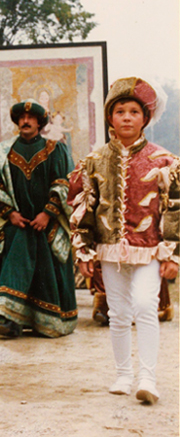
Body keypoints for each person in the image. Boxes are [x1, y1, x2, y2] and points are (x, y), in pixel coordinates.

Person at [68, 77, 179, 405]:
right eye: (120, 111)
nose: (127, 117)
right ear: (110, 117)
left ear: (145, 118)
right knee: (117, 313)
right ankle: (123, 373)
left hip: (149, 250)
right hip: (110, 249)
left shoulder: (165, 161)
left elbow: (175, 209)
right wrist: (84, 250)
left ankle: (148, 377)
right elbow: (84, 208)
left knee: (145, 306)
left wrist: (173, 254)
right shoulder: (94, 161)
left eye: (134, 111)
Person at [0, 99, 77, 339]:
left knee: (46, 266)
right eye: (22, 118)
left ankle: (48, 322)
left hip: (49, 223)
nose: (26, 121)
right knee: (16, 259)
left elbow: (63, 182)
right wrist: (9, 213)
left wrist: (47, 213)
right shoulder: (4, 151)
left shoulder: (55, 149)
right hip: (18, 222)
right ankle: (9, 320)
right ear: (17, 121)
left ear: (39, 122)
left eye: (31, 118)